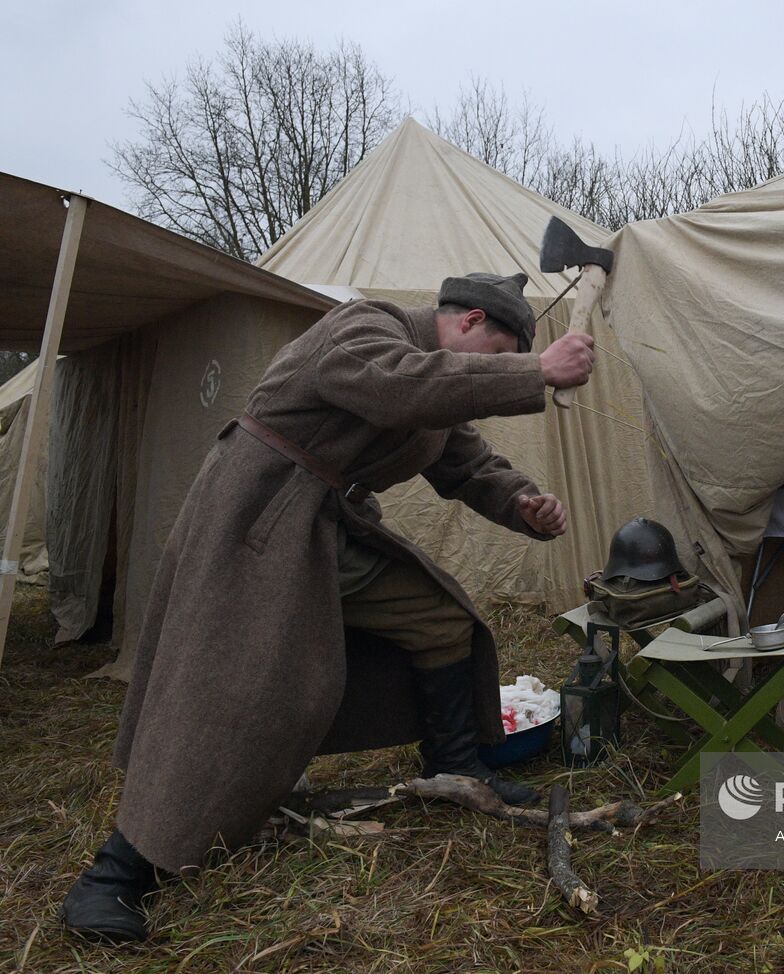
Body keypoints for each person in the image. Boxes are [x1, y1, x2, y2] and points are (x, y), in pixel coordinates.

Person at [61, 272, 597, 941]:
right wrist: (537, 371)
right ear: (468, 321)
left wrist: (522, 502)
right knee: (225, 691)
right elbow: (401, 385)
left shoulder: (434, 377)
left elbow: (464, 459)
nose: (490, 373)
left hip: (324, 527)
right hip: (256, 518)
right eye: (498, 354)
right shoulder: (366, 327)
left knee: (440, 619)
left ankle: (455, 765)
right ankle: (116, 874)